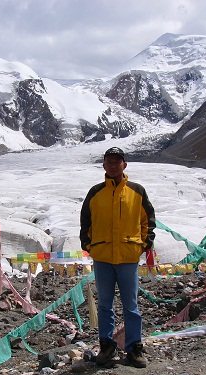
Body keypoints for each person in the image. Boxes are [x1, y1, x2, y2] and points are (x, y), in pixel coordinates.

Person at [80, 146, 156, 368]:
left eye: (117, 161)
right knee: (105, 305)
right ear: (104, 165)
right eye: (109, 162)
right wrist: (89, 245)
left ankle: (134, 348)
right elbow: (86, 222)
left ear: (124, 165)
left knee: (131, 305)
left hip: (127, 257)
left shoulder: (137, 191)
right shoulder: (95, 193)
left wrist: (143, 244)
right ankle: (107, 346)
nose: (113, 165)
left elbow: (148, 220)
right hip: (102, 257)